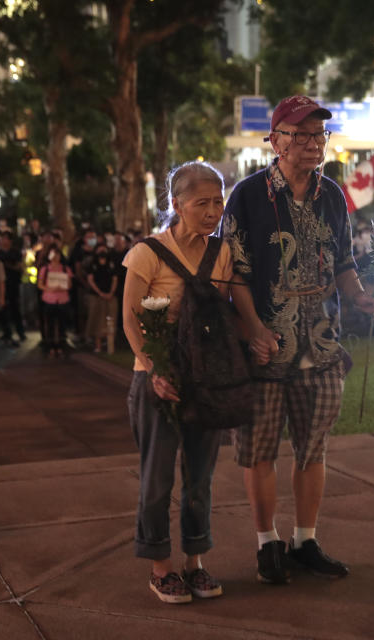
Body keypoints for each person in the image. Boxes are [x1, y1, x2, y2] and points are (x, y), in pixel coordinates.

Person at [223, 96, 374, 584]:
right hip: (265, 348)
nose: (313, 145)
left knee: (313, 448)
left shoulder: (332, 194)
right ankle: (266, 542)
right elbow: (234, 273)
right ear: (274, 140)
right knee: (260, 449)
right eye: (301, 135)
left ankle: (305, 539)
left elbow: (343, 263)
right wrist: (253, 329)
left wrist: (360, 297)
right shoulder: (248, 194)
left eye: (319, 135)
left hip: (320, 346)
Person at [122, 161, 233, 604]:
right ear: (176, 204)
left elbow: (226, 311)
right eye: (201, 203)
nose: (212, 212)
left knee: (200, 478)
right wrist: (155, 370)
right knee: (156, 479)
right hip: (156, 383)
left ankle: (195, 562)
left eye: (218, 202)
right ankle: (161, 567)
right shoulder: (147, 252)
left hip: (204, 381)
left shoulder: (221, 251)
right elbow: (131, 319)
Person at [37, 244, 72, 356]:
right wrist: (49, 288)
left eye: (57, 254)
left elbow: (70, 284)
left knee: (62, 323)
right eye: (53, 254)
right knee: (50, 323)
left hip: (63, 299)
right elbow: (40, 284)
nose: (55, 256)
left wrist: (64, 287)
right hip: (49, 299)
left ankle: (61, 344)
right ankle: (50, 345)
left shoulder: (65, 269)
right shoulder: (45, 269)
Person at [86, 245, 118, 353]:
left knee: (111, 318)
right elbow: (90, 280)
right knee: (98, 319)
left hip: (110, 296)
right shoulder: (92, 264)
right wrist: (99, 293)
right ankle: (97, 344)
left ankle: (110, 345)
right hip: (96, 296)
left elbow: (115, 279)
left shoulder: (111, 264)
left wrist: (111, 293)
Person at [0, 231, 26, 345]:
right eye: (2, 239)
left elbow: (19, 266)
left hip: (13, 283)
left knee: (15, 308)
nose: (4, 241)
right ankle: (6, 332)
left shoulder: (16, 252)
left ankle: (20, 332)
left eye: (6, 239)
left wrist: (7, 265)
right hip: (0, 284)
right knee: (2, 309)